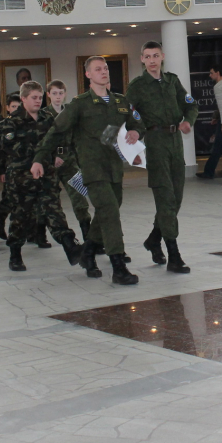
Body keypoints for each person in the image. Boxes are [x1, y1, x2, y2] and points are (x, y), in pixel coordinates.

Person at [32, 56, 145, 285]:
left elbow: (137, 123)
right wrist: (39, 159)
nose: (103, 72)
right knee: (110, 211)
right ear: (88, 75)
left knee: (106, 212)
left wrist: (136, 132)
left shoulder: (121, 101)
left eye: (105, 68)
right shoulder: (79, 104)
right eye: (97, 69)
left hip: (114, 167)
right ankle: (118, 266)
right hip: (92, 169)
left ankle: (87, 252)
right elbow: (56, 131)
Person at [126, 41, 198, 273]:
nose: (152, 60)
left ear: (162, 57)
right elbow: (129, 115)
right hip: (155, 143)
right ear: (142, 60)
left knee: (175, 199)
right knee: (165, 199)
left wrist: (188, 121)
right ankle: (174, 255)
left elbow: (190, 105)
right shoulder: (137, 86)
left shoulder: (172, 81)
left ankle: (154, 239)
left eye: (156, 55)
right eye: (148, 56)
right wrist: (136, 135)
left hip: (175, 141)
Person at [0, 82, 84, 271]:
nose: (38, 101)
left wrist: (58, 155)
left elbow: (61, 139)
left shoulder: (48, 118)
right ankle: (15, 254)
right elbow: (13, 149)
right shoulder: (11, 123)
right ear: (23, 99)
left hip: (47, 176)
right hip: (22, 180)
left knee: (55, 212)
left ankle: (72, 248)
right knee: (21, 217)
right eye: (34, 98)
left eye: (40, 97)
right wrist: (42, 152)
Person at [42, 80, 91, 240]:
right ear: (48, 94)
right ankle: (39, 232)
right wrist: (51, 156)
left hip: (69, 161)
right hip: (50, 163)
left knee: (79, 198)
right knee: (49, 199)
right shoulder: (44, 115)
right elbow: (42, 141)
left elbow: (77, 137)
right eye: (54, 93)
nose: (58, 97)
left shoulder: (70, 112)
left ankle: (88, 236)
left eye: (61, 93)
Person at [0, 95, 23, 239]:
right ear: (7, 108)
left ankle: (30, 232)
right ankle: (0, 221)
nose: (16, 110)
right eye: (13, 107)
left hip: (25, 168)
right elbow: (0, 151)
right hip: (10, 167)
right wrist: (2, 171)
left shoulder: (26, 123)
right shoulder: (3, 125)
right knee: (9, 198)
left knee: (26, 199)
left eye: (18, 106)